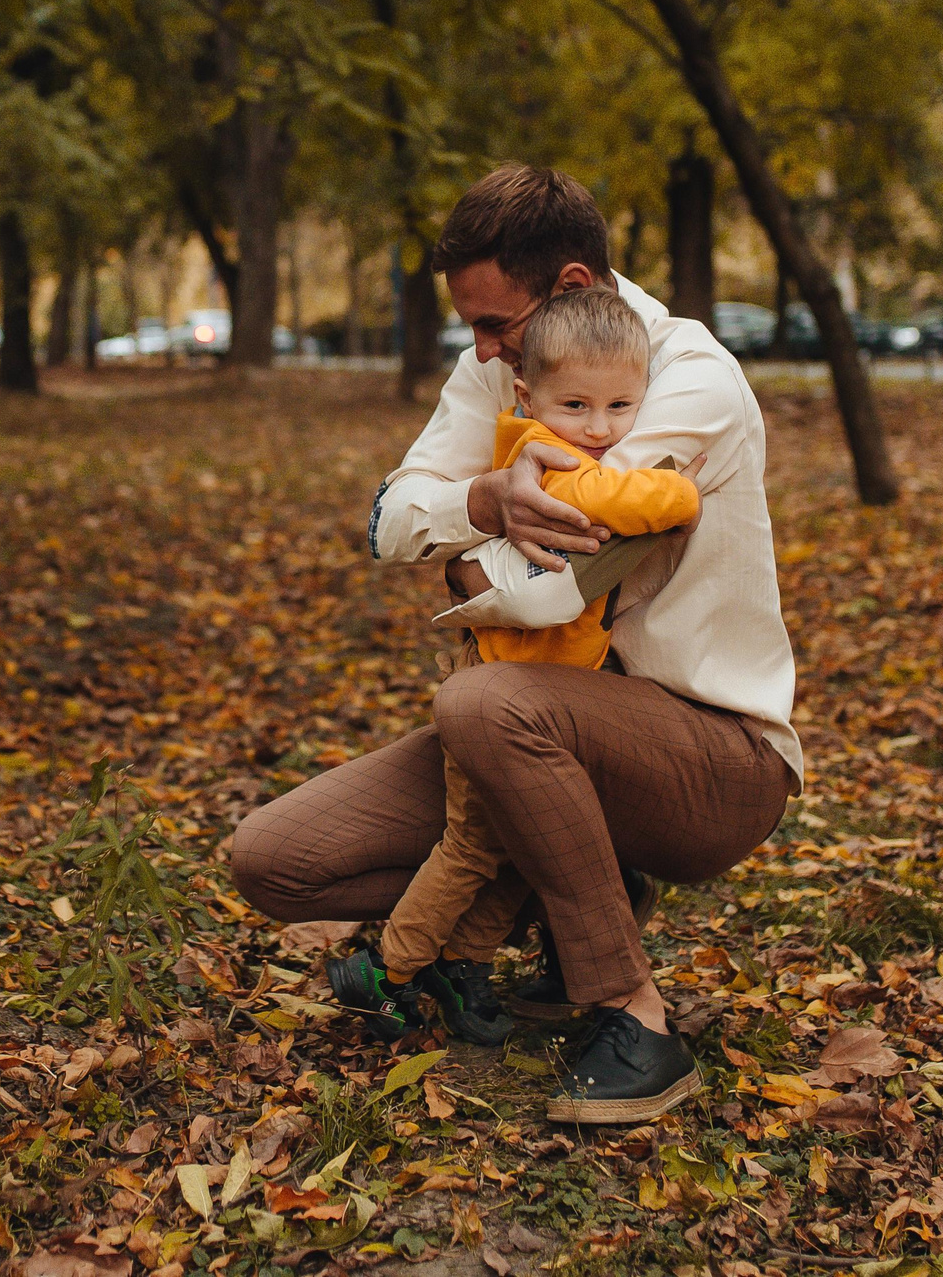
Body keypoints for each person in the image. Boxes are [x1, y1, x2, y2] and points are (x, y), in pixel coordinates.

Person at [230, 164, 798, 1125]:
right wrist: (487, 499)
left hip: (714, 758)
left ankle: (634, 1015)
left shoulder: (692, 378)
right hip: (541, 727)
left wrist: (462, 565)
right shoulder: (503, 365)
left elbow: (552, 582)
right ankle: (582, 879)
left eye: (495, 323)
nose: (482, 348)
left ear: (571, 284)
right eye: (475, 328)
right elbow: (389, 518)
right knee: (274, 859)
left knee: (479, 701)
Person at [325, 287, 699, 1047]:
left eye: (621, 407)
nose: (600, 428)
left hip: (541, 693)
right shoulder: (548, 458)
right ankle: (386, 969)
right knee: (471, 846)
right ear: (529, 398)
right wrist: (682, 485)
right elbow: (645, 499)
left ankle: (463, 963)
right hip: (495, 692)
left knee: (509, 847)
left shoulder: (574, 442)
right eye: (577, 406)